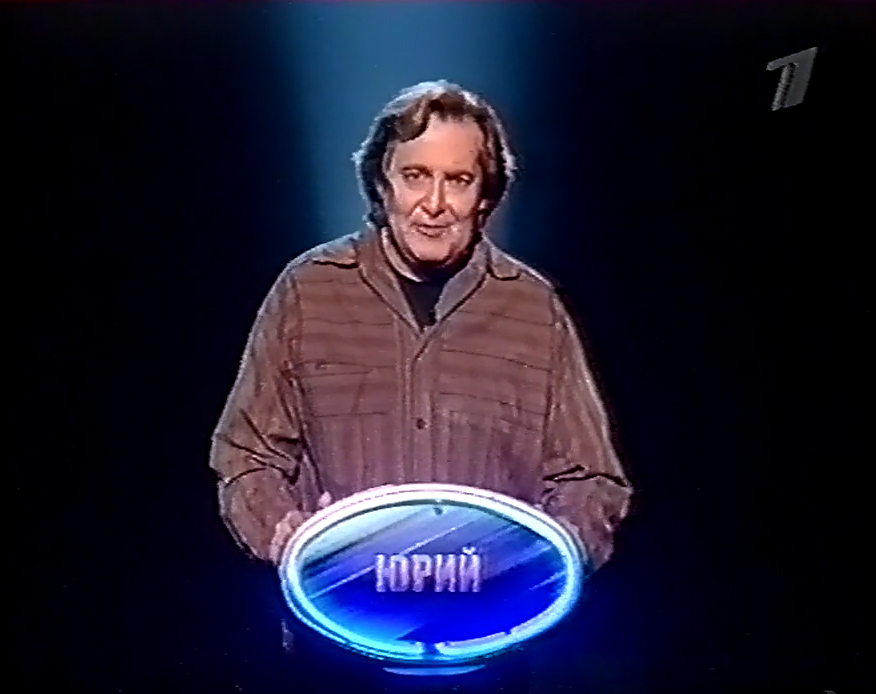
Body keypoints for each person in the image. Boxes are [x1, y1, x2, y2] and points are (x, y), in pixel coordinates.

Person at [209, 80, 633, 694]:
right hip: (334, 655)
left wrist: (548, 556)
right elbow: (245, 457)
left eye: (458, 180)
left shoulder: (534, 308)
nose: (433, 203)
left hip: (490, 656)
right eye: (415, 176)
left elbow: (591, 479)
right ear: (382, 184)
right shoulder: (307, 292)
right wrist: (287, 533)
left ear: (485, 197)